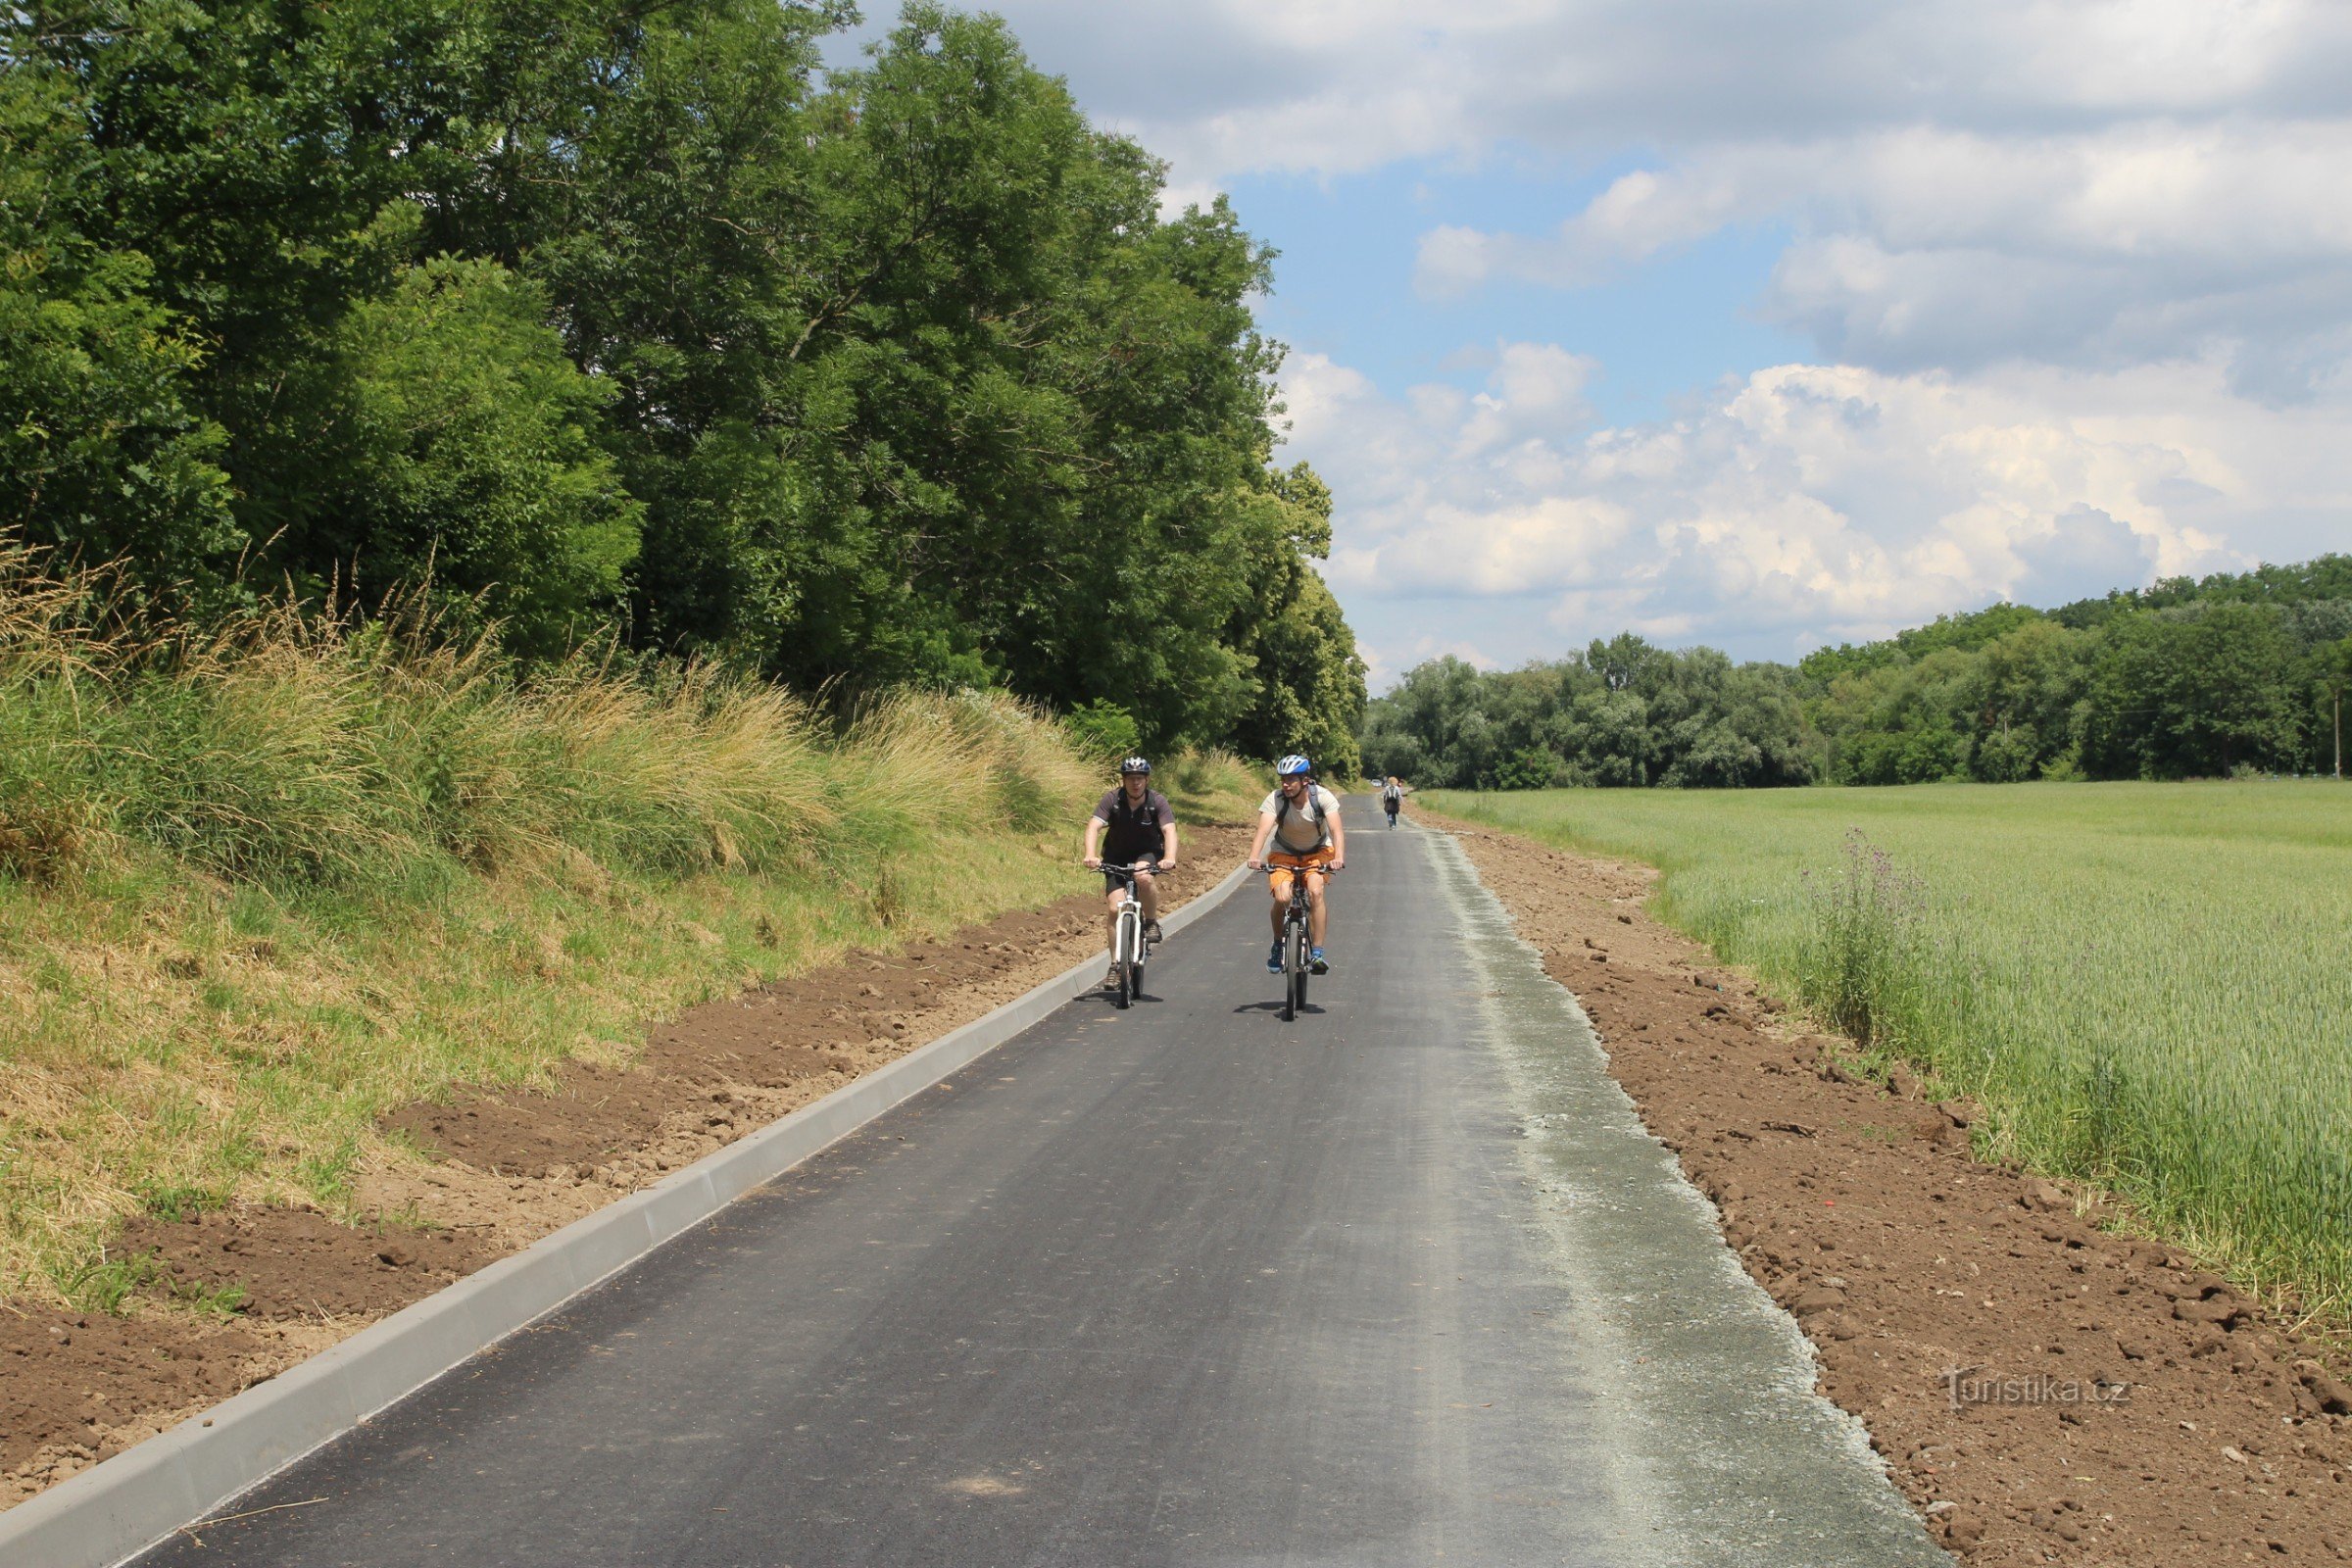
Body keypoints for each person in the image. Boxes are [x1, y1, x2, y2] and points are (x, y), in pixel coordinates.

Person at [1246, 754, 1346, 975]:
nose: (1285, 784)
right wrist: (1254, 856)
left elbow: (1336, 830)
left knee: (1315, 892)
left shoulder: (1322, 797)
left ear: (1305, 781)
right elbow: (1263, 830)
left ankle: (1317, 953)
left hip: (1317, 852)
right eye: (1283, 778)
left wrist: (1338, 856)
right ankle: (1278, 944)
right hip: (1284, 852)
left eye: (1291, 779)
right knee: (1282, 897)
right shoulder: (1276, 799)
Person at [1081, 756, 1177, 988]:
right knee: (1115, 908)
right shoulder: (1112, 800)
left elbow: (1169, 831)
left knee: (1143, 876)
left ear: (1147, 780)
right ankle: (1115, 964)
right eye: (1131, 778)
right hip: (1116, 856)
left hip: (1147, 853)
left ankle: (1151, 921)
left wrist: (1169, 858)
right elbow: (1093, 826)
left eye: (1140, 779)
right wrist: (1091, 854)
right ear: (1123, 780)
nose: (1136, 783)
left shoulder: (1157, 802)